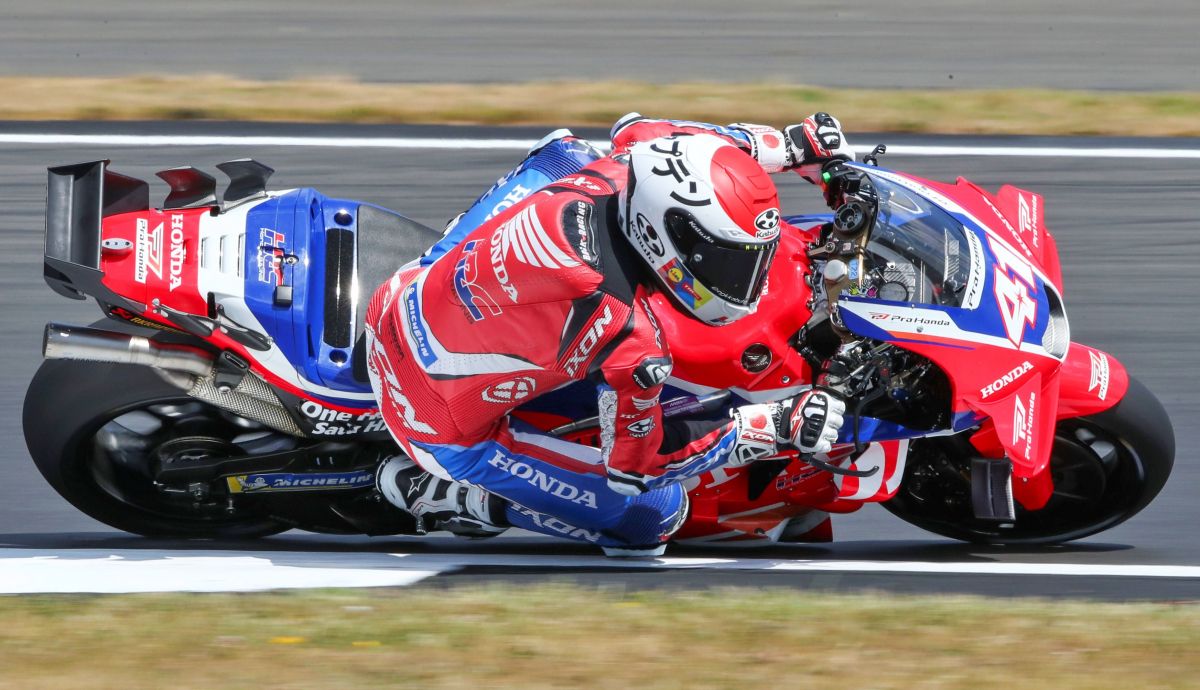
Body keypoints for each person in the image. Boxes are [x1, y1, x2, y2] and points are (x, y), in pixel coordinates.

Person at [364, 112, 853, 555]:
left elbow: (645, 130)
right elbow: (638, 467)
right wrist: (763, 427)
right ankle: (457, 496)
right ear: (665, 234)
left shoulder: (632, 166)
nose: (750, 276)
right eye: (730, 259)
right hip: (429, 414)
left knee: (567, 153)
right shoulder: (627, 333)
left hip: (410, 286)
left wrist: (790, 146)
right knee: (654, 517)